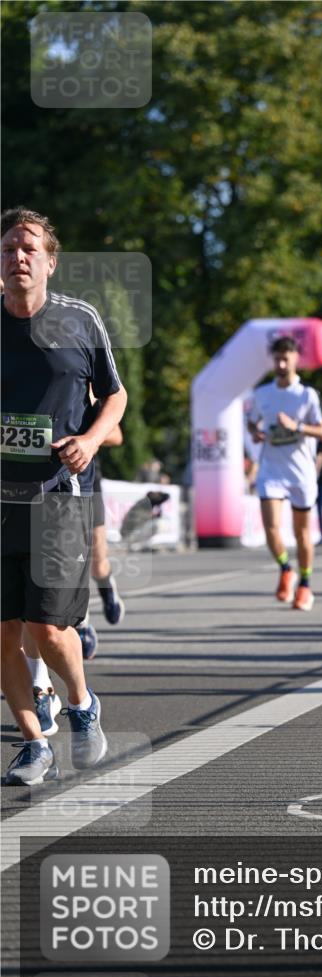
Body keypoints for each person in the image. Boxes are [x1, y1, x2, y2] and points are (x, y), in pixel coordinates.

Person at [1, 206, 127, 784]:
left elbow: (115, 397)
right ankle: (33, 744)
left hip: (59, 495)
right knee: (3, 631)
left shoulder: (79, 320)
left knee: (48, 628)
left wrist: (93, 438)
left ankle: (81, 703)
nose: (17, 256)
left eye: (29, 248)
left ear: (50, 262)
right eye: (8, 248)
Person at [247, 336, 322, 611]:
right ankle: (285, 568)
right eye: (278, 359)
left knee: (302, 532)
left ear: (296, 360)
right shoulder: (262, 394)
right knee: (271, 527)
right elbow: (251, 421)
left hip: (301, 472)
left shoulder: (307, 395)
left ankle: (305, 585)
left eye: (287, 359)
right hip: (271, 469)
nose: (282, 364)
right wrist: (255, 433)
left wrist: (297, 427)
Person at [77, 413, 125, 659]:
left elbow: (116, 436)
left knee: (96, 561)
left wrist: (86, 438)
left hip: (86, 480)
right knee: (72, 563)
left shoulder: (88, 388)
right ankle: (81, 626)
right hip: (42, 483)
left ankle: (107, 588)